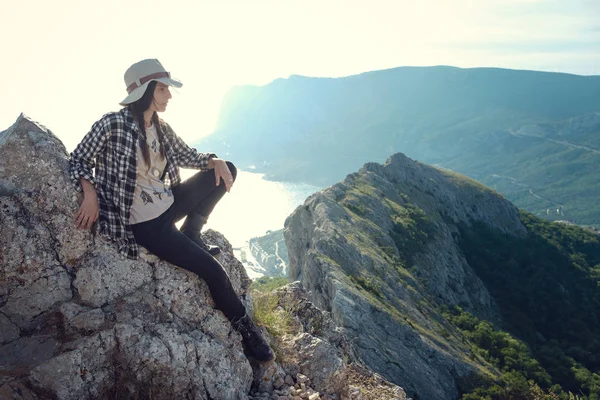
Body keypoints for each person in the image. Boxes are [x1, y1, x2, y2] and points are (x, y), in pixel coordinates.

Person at [68, 58, 274, 363]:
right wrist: (90, 193)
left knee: (225, 169)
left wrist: (213, 160)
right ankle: (248, 333)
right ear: (146, 90)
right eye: (163, 89)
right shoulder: (112, 124)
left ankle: (192, 231)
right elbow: (79, 159)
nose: (169, 95)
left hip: (168, 203)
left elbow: (188, 154)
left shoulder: (160, 128)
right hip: (147, 225)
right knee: (213, 272)